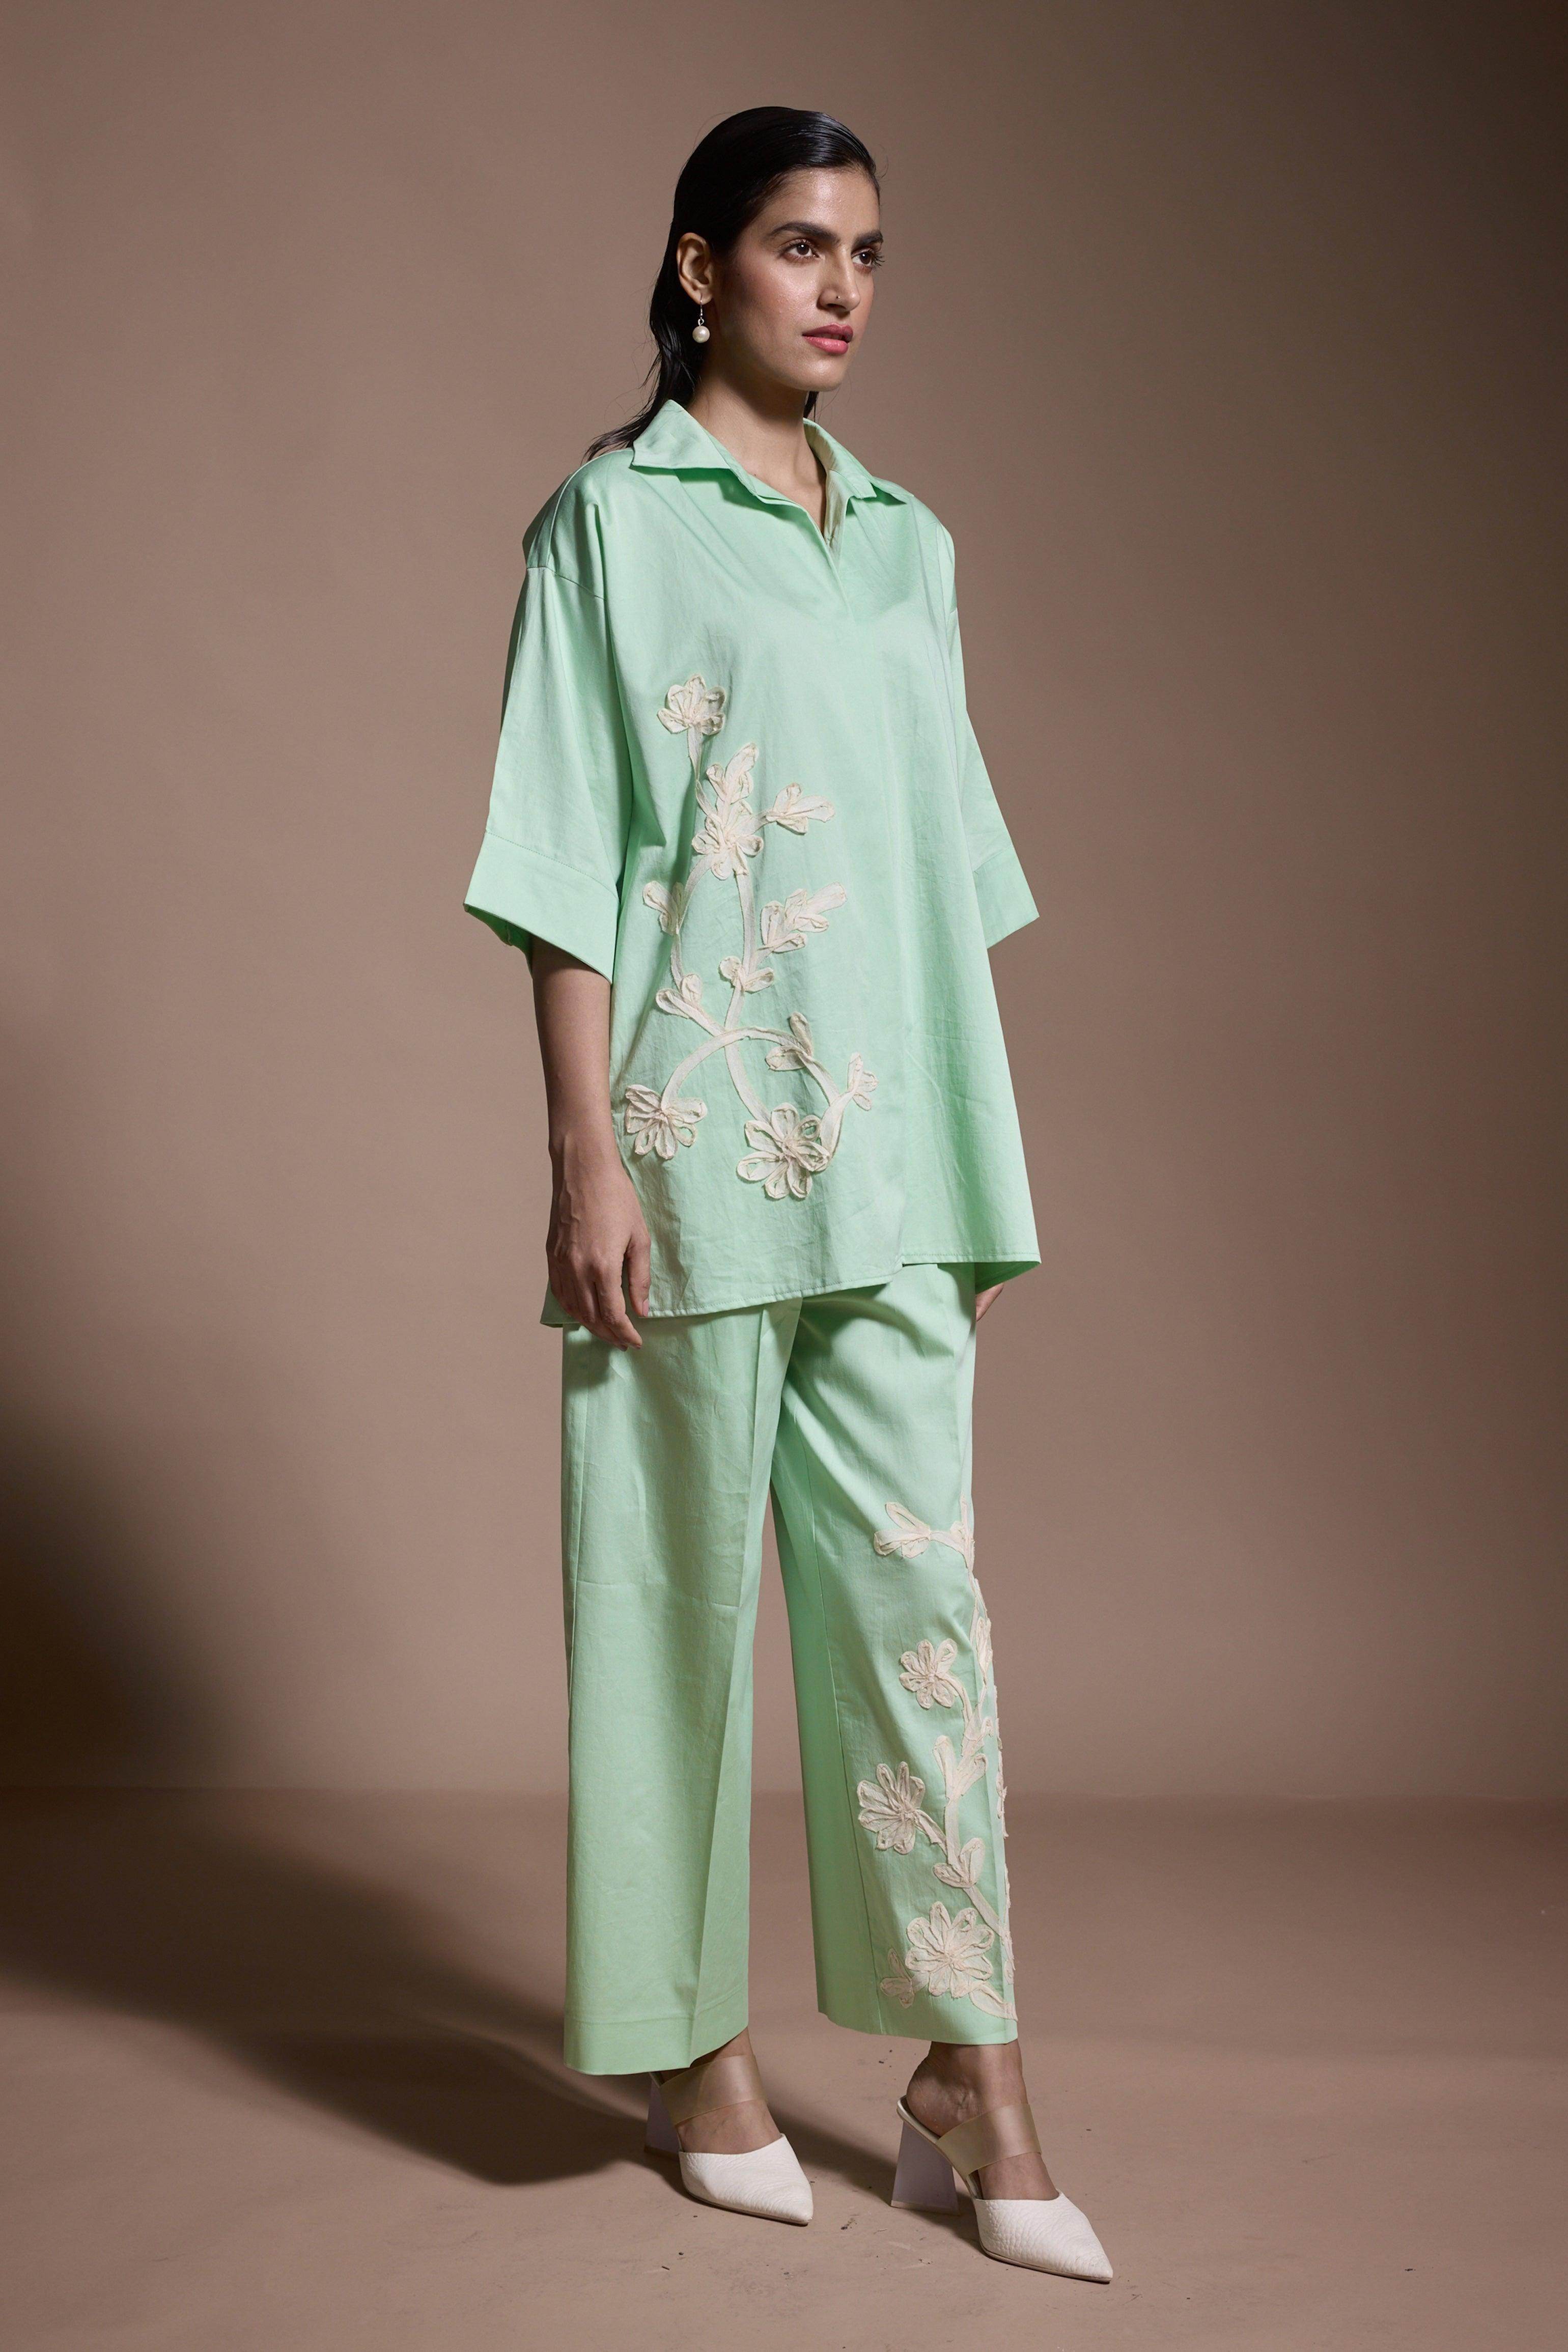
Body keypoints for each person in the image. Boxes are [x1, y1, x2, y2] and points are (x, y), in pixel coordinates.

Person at [463, 104, 1111, 2283]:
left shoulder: (910, 541)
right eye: (800, 246)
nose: (840, 288)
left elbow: (938, 883)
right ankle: (688, 2048)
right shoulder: (612, 523)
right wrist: (582, 1157)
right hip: (690, 1149)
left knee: (923, 1617)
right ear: (699, 265)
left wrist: (969, 1168)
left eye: (867, 253)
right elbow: (563, 858)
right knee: (669, 1604)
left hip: (891, 1162)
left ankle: (974, 2073)